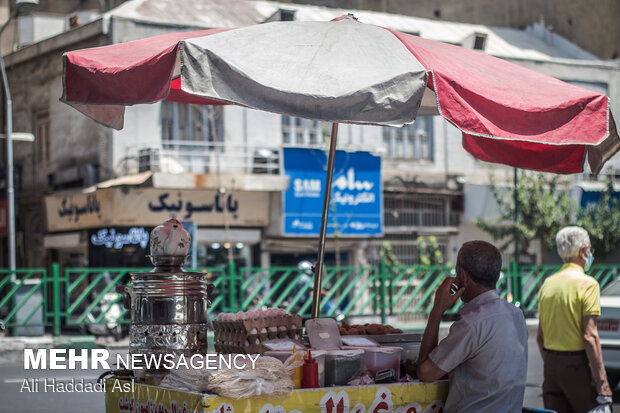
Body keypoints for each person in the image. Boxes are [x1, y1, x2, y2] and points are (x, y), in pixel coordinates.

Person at [417, 240, 528, 413]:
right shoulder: (516, 314)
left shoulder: (472, 323)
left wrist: (436, 311)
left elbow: (426, 373)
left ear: (463, 276)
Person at [537, 226, 612, 412]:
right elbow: (590, 336)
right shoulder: (588, 285)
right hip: (576, 367)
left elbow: (540, 337)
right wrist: (602, 382)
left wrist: (552, 364)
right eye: (589, 249)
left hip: (551, 367)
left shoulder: (548, 284)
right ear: (582, 251)